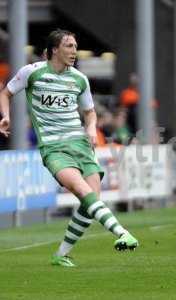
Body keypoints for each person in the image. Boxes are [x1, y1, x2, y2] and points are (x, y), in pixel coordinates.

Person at [0, 29, 139, 267]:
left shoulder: (79, 79)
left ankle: (61, 255)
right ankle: (121, 232)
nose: (74, 51)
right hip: (54, 148)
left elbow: (89, 112)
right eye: (69, 46)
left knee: (91, 198)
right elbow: (6, 93)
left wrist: (91, 128)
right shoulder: (32, 73)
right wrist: (6, 116)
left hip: (80, 145)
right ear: (55, 50)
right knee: (81, 189)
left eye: (75, 46)